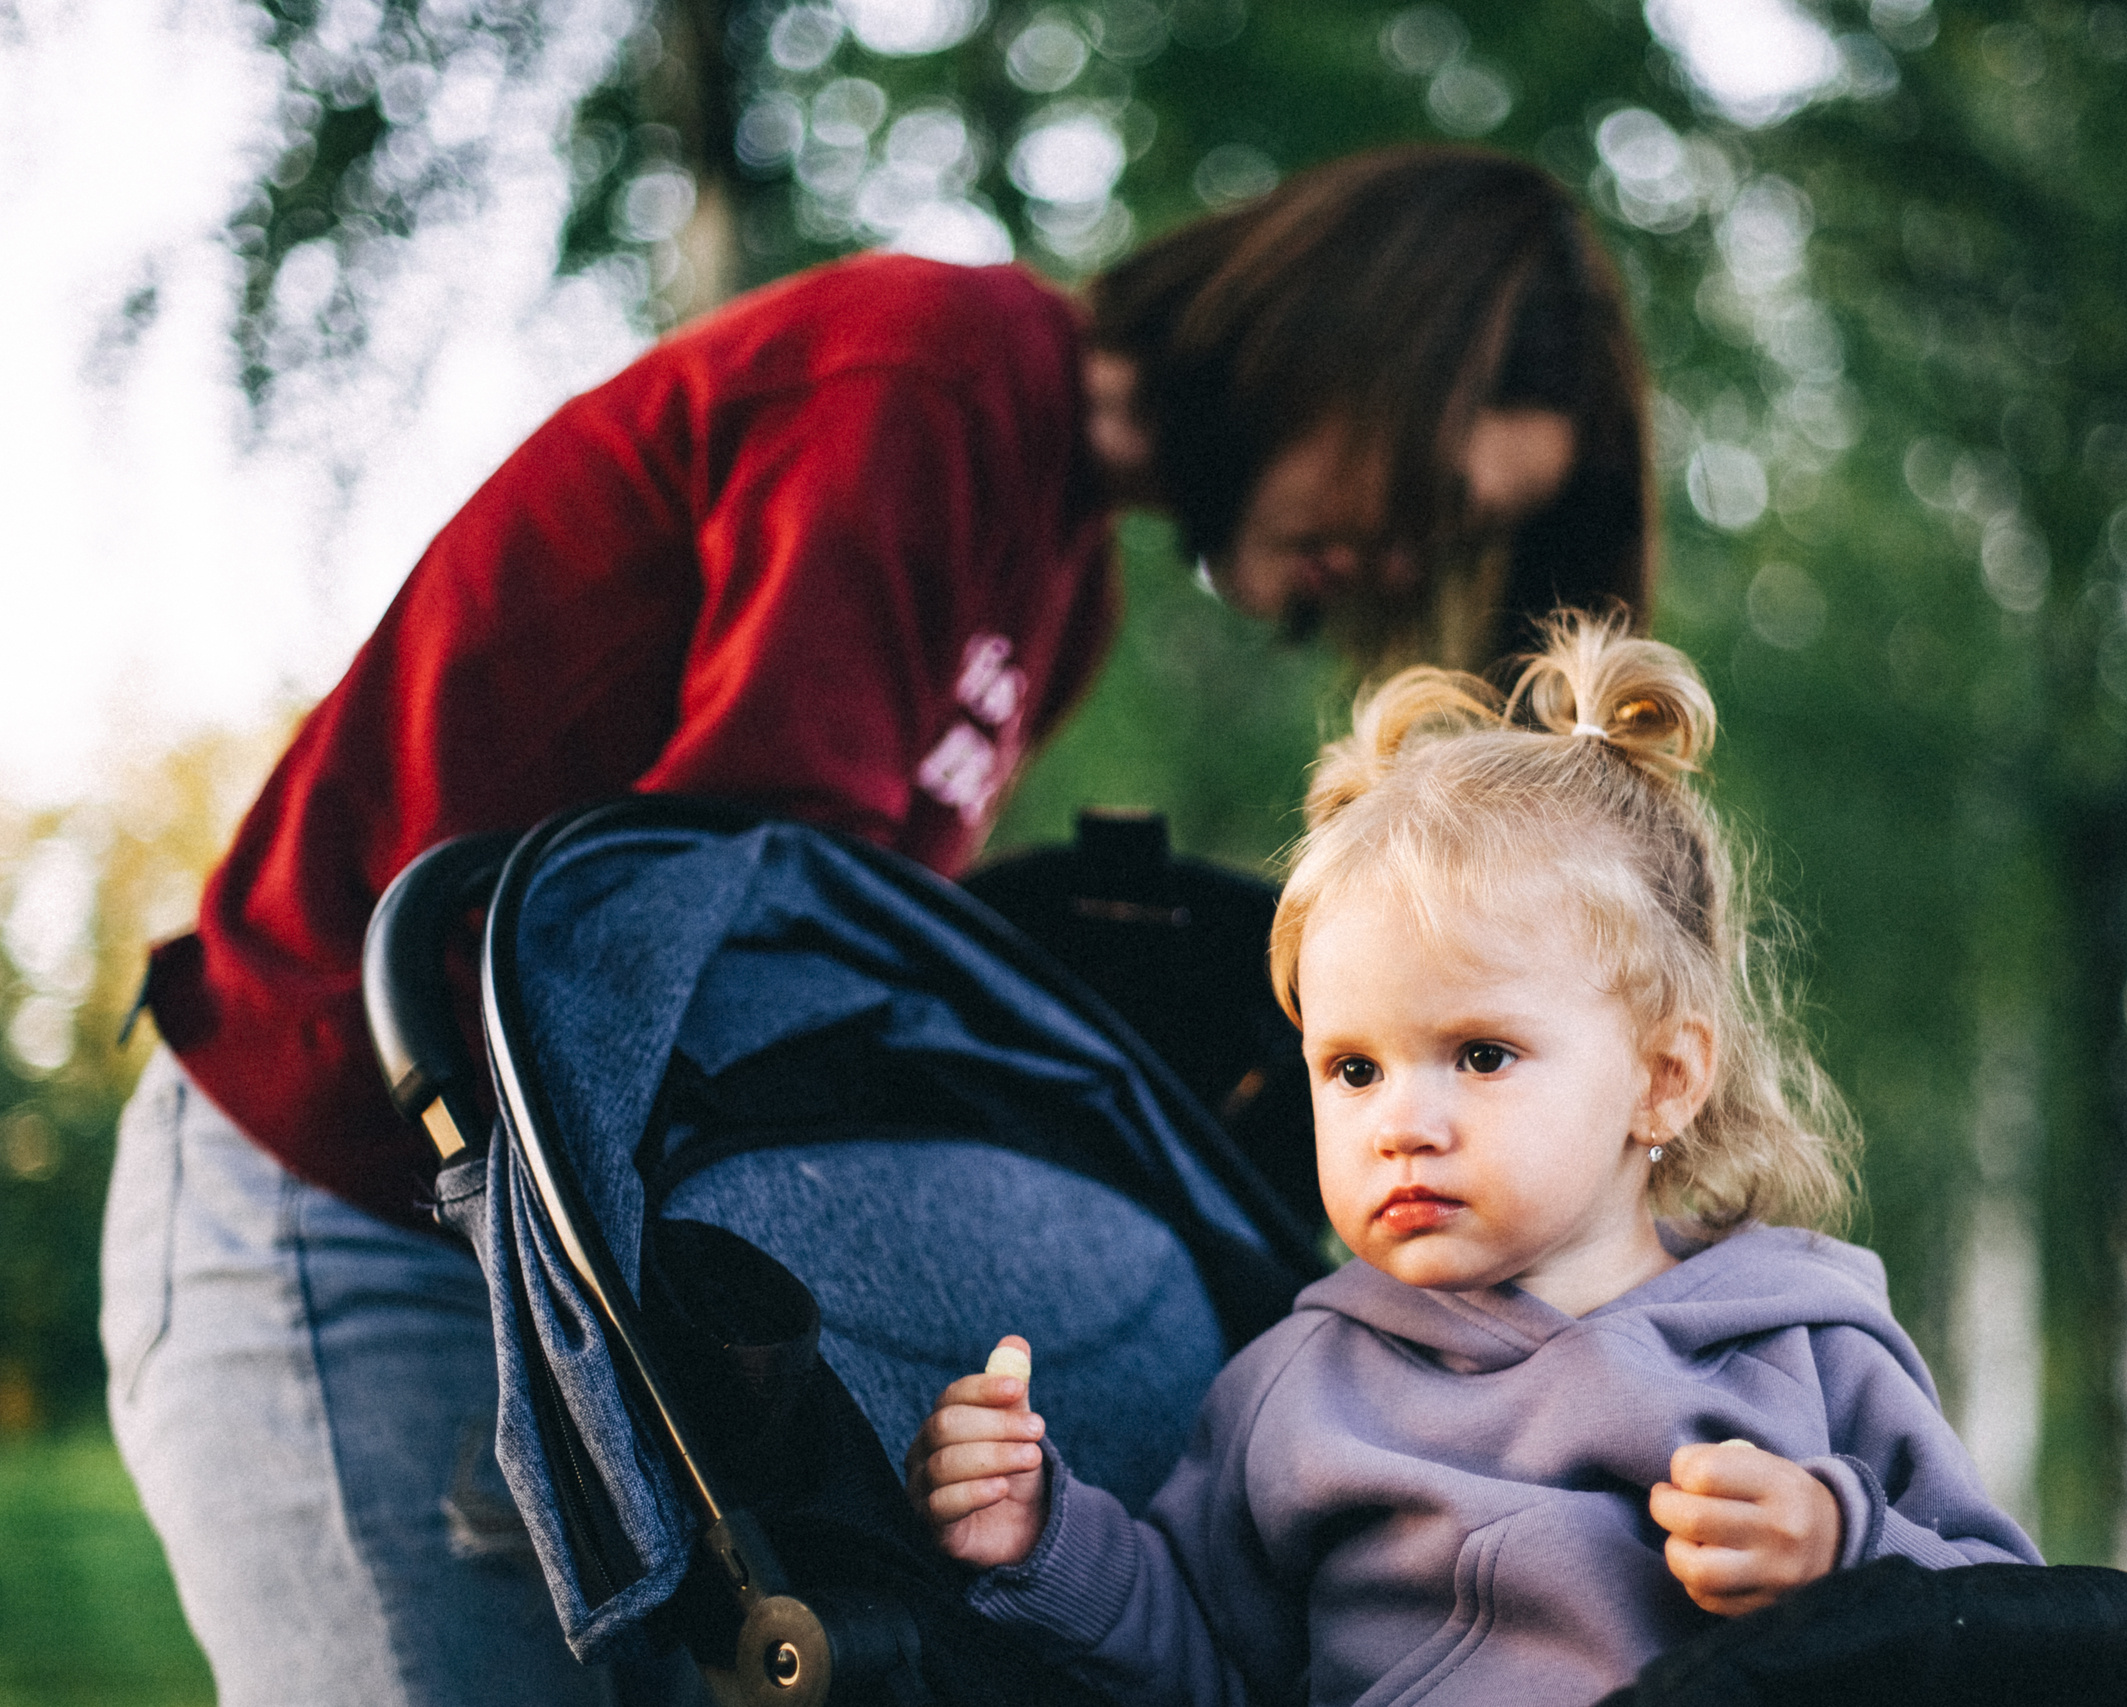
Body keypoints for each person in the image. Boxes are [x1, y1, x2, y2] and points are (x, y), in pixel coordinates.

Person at [99, 146, 1652, 1706]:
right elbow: (716, 929)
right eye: (1428, 499)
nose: (1401, 563)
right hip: (346, 1187)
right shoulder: (926, 376)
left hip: (551, 1252)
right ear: (1353, 345)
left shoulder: (1064, 582)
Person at [906, 615, 2040, 1707]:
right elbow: (1205, 1660)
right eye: (1353, 1069)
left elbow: (2027, 1634)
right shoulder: (1297, 1387)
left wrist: (1842, 1549)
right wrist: (1041, 1535)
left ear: (1663, 1078)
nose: (1402, 1123)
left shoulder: (1806, 1350)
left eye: (1481, 1055)